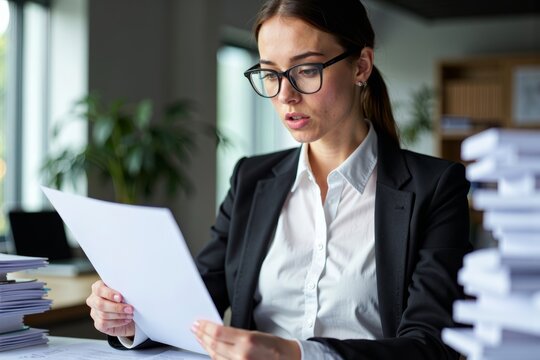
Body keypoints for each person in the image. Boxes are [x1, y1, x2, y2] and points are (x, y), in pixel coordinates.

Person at [86, 0, 471, 358]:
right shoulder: (252, 179)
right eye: (270, 73)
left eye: (306, 69)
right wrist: (130, 319)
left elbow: (431, 344)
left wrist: (296, 354)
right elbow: (194, 298)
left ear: (361, 66)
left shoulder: (434, 187)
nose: (285, 95)